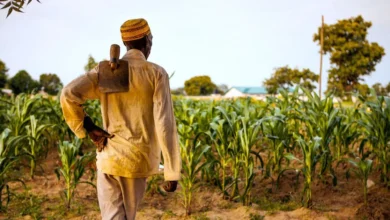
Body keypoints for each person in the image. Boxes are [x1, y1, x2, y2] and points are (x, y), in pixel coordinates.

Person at [60, 18, 181, 220]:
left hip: (108, 158)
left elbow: (68, 94)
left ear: (126, 43)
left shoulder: (106, 71)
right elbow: (165, 123)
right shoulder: (156, 73)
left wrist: (89, 127)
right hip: (137, 160)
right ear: (147, 41)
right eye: (150, 40)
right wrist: (171, 171)